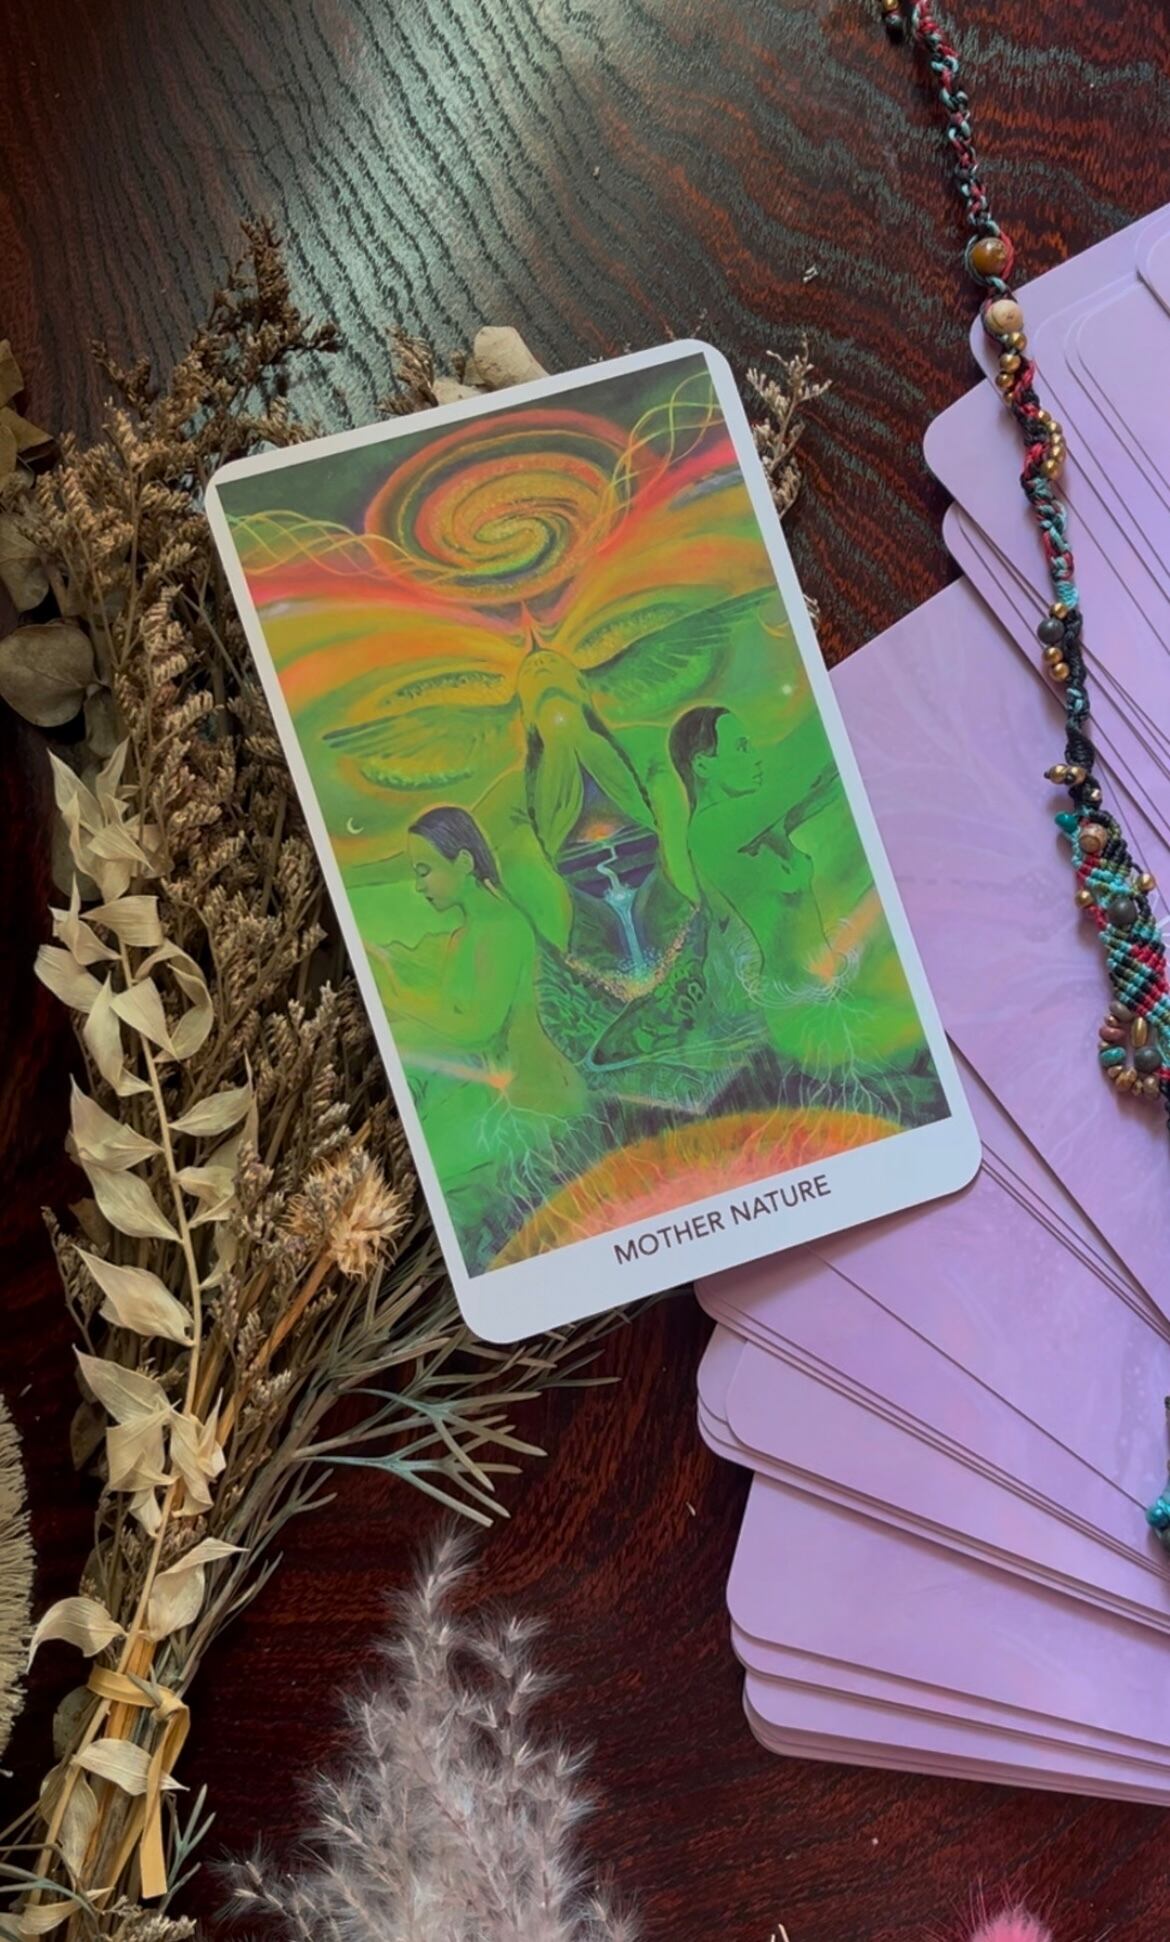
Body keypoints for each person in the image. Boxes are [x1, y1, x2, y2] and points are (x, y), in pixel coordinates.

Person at [668, 706, 924, 1075]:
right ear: (703, 765)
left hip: (829, 990)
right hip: (800, 1014)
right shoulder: (710, 829)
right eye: (741, 748)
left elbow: (825, 785)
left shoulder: (756, 827)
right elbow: (801, 779)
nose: (756, 758)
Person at [372, 805, 587, 1140]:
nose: (418, 886)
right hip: (507, 1095)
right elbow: (450, 1013)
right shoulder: (464, 936)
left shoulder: (503, 927)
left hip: (545, 1096)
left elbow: (479, 1028)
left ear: (464, 862)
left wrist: (396, 998)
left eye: (425, 871)